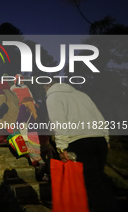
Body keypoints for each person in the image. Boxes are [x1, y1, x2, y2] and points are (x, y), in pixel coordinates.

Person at [44, 81, 117, 212]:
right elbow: (99, 118)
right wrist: (106, 139)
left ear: (47, 86)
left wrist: (61, 148)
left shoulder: (53, 97)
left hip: (79, 142)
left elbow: (59, 123)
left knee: (91, 185)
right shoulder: (82, 95)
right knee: (99, 180)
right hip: (99, 140)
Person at [16, 97, 43, 166]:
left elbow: (20, 117)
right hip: (36, 130)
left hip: (28, 131)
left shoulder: (24, 106)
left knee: (30, 148)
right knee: (36, 148)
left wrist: (16, 124)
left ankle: (41, 163)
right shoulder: (34, 107)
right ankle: (37, 164)